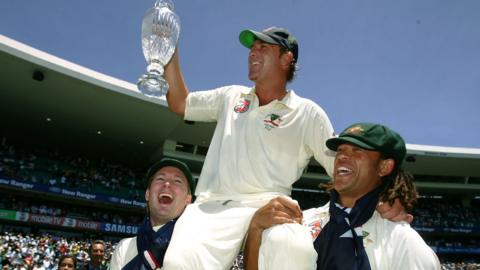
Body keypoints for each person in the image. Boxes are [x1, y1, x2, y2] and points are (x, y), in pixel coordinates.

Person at [162, 26, 407, 269]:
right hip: (212, 206)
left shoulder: (307, 113)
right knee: (177, 263)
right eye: (252, 48)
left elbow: (344, 168)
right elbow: (180, 103)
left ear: (286, 58)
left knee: (294, 250)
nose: (252, 53)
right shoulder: (231, 97)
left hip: (272, 205)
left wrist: (386, 196)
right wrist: (168, 50)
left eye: (263, 47)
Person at [244, 123, 441, 270]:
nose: (343, 156)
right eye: (341, 150)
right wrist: (255, 231)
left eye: (357, 151)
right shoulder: (300, 221)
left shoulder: (401, 239)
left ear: (384, 167)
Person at [109, 158, 195, 270]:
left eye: (177, 181)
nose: (167, 184)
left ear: (188, 200)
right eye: (160, 179)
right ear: (147, 194)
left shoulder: (200, 248)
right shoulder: (124, 248)